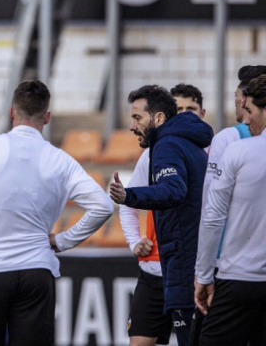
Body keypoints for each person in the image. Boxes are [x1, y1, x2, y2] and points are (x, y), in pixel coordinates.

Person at [0, 80, 113, 345]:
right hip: (36, 270)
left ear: (11, 113)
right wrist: (62, 240)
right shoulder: (59, 158)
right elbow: (104, 206)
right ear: (47, 117)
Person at [109, 85, 213, 346]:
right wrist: (134, 239)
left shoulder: (166, 146)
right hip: (187, 263)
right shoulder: (189, 145)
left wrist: (128, 196)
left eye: (137, 118)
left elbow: (173, 190)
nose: (132, 126)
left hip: (183, 264)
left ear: (158, 119)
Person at [195, 75, 266, 345]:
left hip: (238, 279)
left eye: (249, 112)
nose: (246, 120)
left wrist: (202, 275)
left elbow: (213, 217)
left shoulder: (237, 151)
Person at [203, 65, 266, 209]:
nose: (235, 101)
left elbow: (210, 198)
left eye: (235, 95)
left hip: (235, 229)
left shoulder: (226, 138)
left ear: (244, 99)